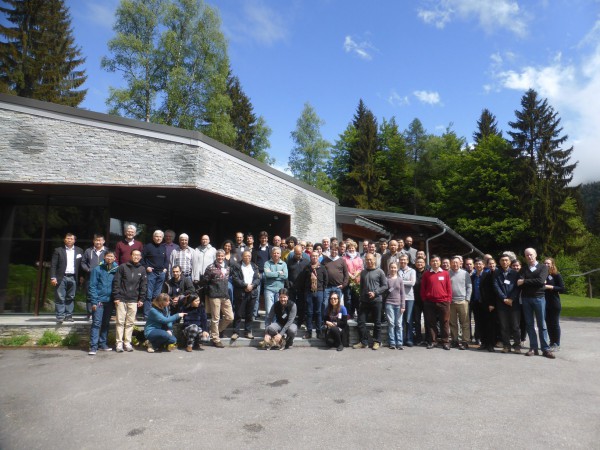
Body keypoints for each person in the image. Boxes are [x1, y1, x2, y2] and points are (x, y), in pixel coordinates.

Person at [517, 248, 554, 359]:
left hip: (539, 298)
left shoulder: (543, 267)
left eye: (531, 254)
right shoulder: (523, 269)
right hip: (526, 299)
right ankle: (533, 347)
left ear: (536, 255)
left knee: (541, 324)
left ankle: (545, 349)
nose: (529, 256)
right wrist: (530, 282)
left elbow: (540, 281)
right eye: (527, 255)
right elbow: (519, 283)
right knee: (529, 324)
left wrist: (525, 281)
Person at [113, 249, 147, 352]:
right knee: (120, 322)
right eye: (134, 255)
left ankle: (127, 343)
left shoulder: (142, 269)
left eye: (138, 255)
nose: (136, 257)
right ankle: (119, 343)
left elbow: (143, 285)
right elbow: (116, 282)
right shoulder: (122, 267)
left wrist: (141, 298)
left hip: (133, 300)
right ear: (130, 256)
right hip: (121, 299)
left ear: (140, 257)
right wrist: (116, 297)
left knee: (130, 322)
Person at [353, 253, 387, 350]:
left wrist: (375, 293)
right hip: (364, 301)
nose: (369, 261)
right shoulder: (363, 272)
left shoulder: (380, 272)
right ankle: (364, 342)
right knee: (361, 321)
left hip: (376, 300)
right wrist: (361, 297)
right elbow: (361, 286)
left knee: (377, 322)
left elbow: (385, 286)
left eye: (370, 259)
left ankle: (377, 341)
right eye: (367, 260)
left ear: (374, 260)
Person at [88, 251, 118, 355]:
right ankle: (93, 346)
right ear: (104, 257)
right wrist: (94, 301)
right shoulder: (97, 269)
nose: (110, 258)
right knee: (96, 323)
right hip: (99, 301)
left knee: (106, 323)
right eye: (108, 256)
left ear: (115, 258)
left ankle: (103, 344)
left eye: (112, 256)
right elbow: (92, 286)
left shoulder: (117, 270)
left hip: (110, 301)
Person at [50, 233, 83, 324]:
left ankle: (69, 315)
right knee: (60, 297)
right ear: (64, 240)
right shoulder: (58, 250)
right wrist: (53, 277)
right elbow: (53, 265)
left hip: (73, 277)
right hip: (61, 277)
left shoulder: (79, 251)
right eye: (67, 238)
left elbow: (81, 266)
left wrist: (81, 276)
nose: (69, 240)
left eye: (71, 239)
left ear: (74, 240)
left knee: (70, 297)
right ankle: (60, 316)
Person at [420, 255, 452, 350]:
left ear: (440, 262)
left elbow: (449, 288)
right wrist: (424, 299)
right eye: (433, 261)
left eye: (437, 261)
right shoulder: (426, 274)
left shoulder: (445, 273)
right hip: (429, 302)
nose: (435, 263)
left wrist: (448, 299)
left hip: (443, 302)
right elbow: (423, 288)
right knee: (431, 322)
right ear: (430, 263)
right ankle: (433, 341)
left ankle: (445, 341)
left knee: (445, 322)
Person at [203, 249, 233, 348]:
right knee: (215, 318)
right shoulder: (210, 267)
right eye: (218, 256)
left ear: (224, 257)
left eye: (222, 256)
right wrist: (210, 293)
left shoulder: (228, 267)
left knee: (230, 317)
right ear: (216, 257)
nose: (220, 258)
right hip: (214, 296)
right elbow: (205, 281)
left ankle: (215, 331)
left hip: (225, 295)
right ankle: (216, 339)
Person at [493, 254, 522, 353]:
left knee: (515, 325)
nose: (504, 262)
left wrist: (511, 299)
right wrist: (504, 298)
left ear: (510, 262)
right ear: (499, 262)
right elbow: (496, 286)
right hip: (501, 303)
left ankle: (517, 346)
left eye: (506, 260)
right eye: (502, 260)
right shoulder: (496, 273)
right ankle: (506, 345)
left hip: (514, 303)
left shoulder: (515, 273)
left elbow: (517, 288)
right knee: (504, 325)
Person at [230, 250, 260, 340]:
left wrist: (252, 285)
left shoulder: (254, 266)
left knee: (249, 314)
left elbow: (258, 279)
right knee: (238, 313)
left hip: (252, 293)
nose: (248, 258)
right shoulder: (237, 266)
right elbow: (235, 279)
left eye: (249, 256)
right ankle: (236, 332)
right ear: (242, 257)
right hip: (241, 293)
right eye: (246, 256)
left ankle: (248, 331)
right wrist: (245, 285)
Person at [80, 234, 108, 321]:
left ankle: (101, 314)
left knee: (102, 295)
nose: (98, 242)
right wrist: (88, 269)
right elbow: (83, 263)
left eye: (100, 240)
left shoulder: (107, 251)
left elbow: (111, 261)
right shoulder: (88, 251)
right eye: (96, 240)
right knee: (90, 295)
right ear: (93, 241)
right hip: (90, 277)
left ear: (103, 241)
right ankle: (90, 314)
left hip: (103, 278)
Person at [142, 230, 168, 319]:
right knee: (148, 295)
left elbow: (166, 260)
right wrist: (146, 267)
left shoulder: (163, 247)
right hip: (151, 273)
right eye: (156, 236)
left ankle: (155, 314)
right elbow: (142, 259)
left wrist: (165, 268)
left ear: (162, 238)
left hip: (161, 273)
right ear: (153, 237)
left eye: (160, 237)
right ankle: (147, 315)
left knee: (157, 296)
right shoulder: (148, 247)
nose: (158, 238)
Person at [302, 250, 328, 339]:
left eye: (316, 256)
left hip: (319, 292)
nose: (315, 257)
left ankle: (319, 332)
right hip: (309, 292)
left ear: (318, 257)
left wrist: (322, 290)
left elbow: (326, 280)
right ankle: (308, 332)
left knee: (318, 312)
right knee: (309, 313)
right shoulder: (307, 268)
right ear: (310, 257)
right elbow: (304, 280)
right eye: (313, 256)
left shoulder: (322, 268)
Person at [448, 256, 473, 350]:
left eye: (456, 262)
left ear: (460, 263)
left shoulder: (465, 273)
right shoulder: (447, 273)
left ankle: (465, 341)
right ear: (451, 263)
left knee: (465, 323)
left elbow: (469, 286)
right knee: (453, 323)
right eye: (453, 262)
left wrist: (467, 299)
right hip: (451, 301)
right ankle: (454, 340)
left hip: (463, 301)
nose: (455, 264)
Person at [544, 257, 564, 352]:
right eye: (545, 263)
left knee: (554, 323)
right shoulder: (542, 274)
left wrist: (549, 287)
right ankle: (551, 342)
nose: (546, 265)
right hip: (544, 303)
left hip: (554, 303)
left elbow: (562, 288)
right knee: (548, 324)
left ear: (552, 264)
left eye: (548, 263)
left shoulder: (556, 275)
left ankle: (557, 343)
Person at [287, 244, 310, 329]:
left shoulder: (306, 261)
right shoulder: (290, 261)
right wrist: (288, 283)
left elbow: (308, 275)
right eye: (296, 253)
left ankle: (300, 321)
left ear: (302, 252)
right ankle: (291, 321)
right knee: (291, 305)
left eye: (299, 253)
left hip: (302, 288)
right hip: (292, 287)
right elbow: (287, 274)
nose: (297, 255)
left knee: (301, 305)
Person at [322, 244, 349, 315]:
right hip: (327, 287)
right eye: (332, 250)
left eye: (335, 250)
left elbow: (346, 274)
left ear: (338, 251)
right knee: (325, 304)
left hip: (338, 287)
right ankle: (326, 320)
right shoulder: (325, 260)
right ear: (330, 250)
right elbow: (321, 273)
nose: (334, 251)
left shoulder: (341, 260)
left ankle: (336, 320)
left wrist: (343, 285)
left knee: (337, 305)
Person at [385, 262, 406, 350]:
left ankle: (399, 342)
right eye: (391, 267)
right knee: (391, 324)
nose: (393, 269)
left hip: (398, 304)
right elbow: (384, 292)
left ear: (397, 269)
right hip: (389, 303)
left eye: (394, 268)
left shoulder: (400, 279)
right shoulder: (386, 279)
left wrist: (403, 306)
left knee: (399, 324)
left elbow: (402, 293)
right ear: (389, 269)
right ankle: (392, 342)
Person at [479, 257, 498, 352]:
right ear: (486, 265)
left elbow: (496, 290)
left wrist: (492, 303)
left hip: (496, 303)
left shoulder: (498, 274)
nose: (491, 265)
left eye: (493, 263)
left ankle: (491, 344)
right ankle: (485, 343)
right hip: (486, 303)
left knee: (492, 325)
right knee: (485, 324)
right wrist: (488, 303)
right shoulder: (485, 274)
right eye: (490, 264)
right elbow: (483, 289)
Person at [263, 246, 288, 318]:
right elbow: (267, 274)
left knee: (278, 310)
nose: (276, 254)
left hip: (280, 291)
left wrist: (272, 274)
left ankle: (275, 327)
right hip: (269, 289)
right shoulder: (267, 263)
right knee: (269, 311)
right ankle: (268, 328)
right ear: (271, 254)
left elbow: (285, 276)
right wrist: (278, 273)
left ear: (280, 255)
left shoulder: (283, 264)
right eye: (274, 253)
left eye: (278, 253)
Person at [398, 255, 416, 347]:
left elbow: (412, 283)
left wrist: (400, 282)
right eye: (401, 260)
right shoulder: (397, 271)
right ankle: (401, 339)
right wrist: (405, 282)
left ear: (408, 261)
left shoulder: (412, 271)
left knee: (408, 319)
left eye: (404, 260)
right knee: (400, 320)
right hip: (399, 298)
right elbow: (394, 283)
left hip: (409, 298)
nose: (403, 261)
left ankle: (409, 339)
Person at [343, 240, 363, 320]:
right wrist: (350, 275)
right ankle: (349, 314)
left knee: (356, 298)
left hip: (357, 281)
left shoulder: (359, 258)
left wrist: (355, 275)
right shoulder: (344, 258)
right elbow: (344, 268)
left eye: (353, 248)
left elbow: (360, 268)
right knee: (348, 298)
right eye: (350, 248)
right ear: (347, 249)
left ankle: (358, 314)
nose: (351, 249)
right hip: (348, 281)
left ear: (355, 248)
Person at [412, 256, 427, 345]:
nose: (419, 264)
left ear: (424, 264)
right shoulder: (413, 272)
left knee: (427, 320)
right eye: (418, 262)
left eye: (421, 262)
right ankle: (418, 338)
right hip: (415, 299)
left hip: (426, 300)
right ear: (415, 264)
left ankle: (428, 337)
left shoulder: (428, 273)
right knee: (417, 320)